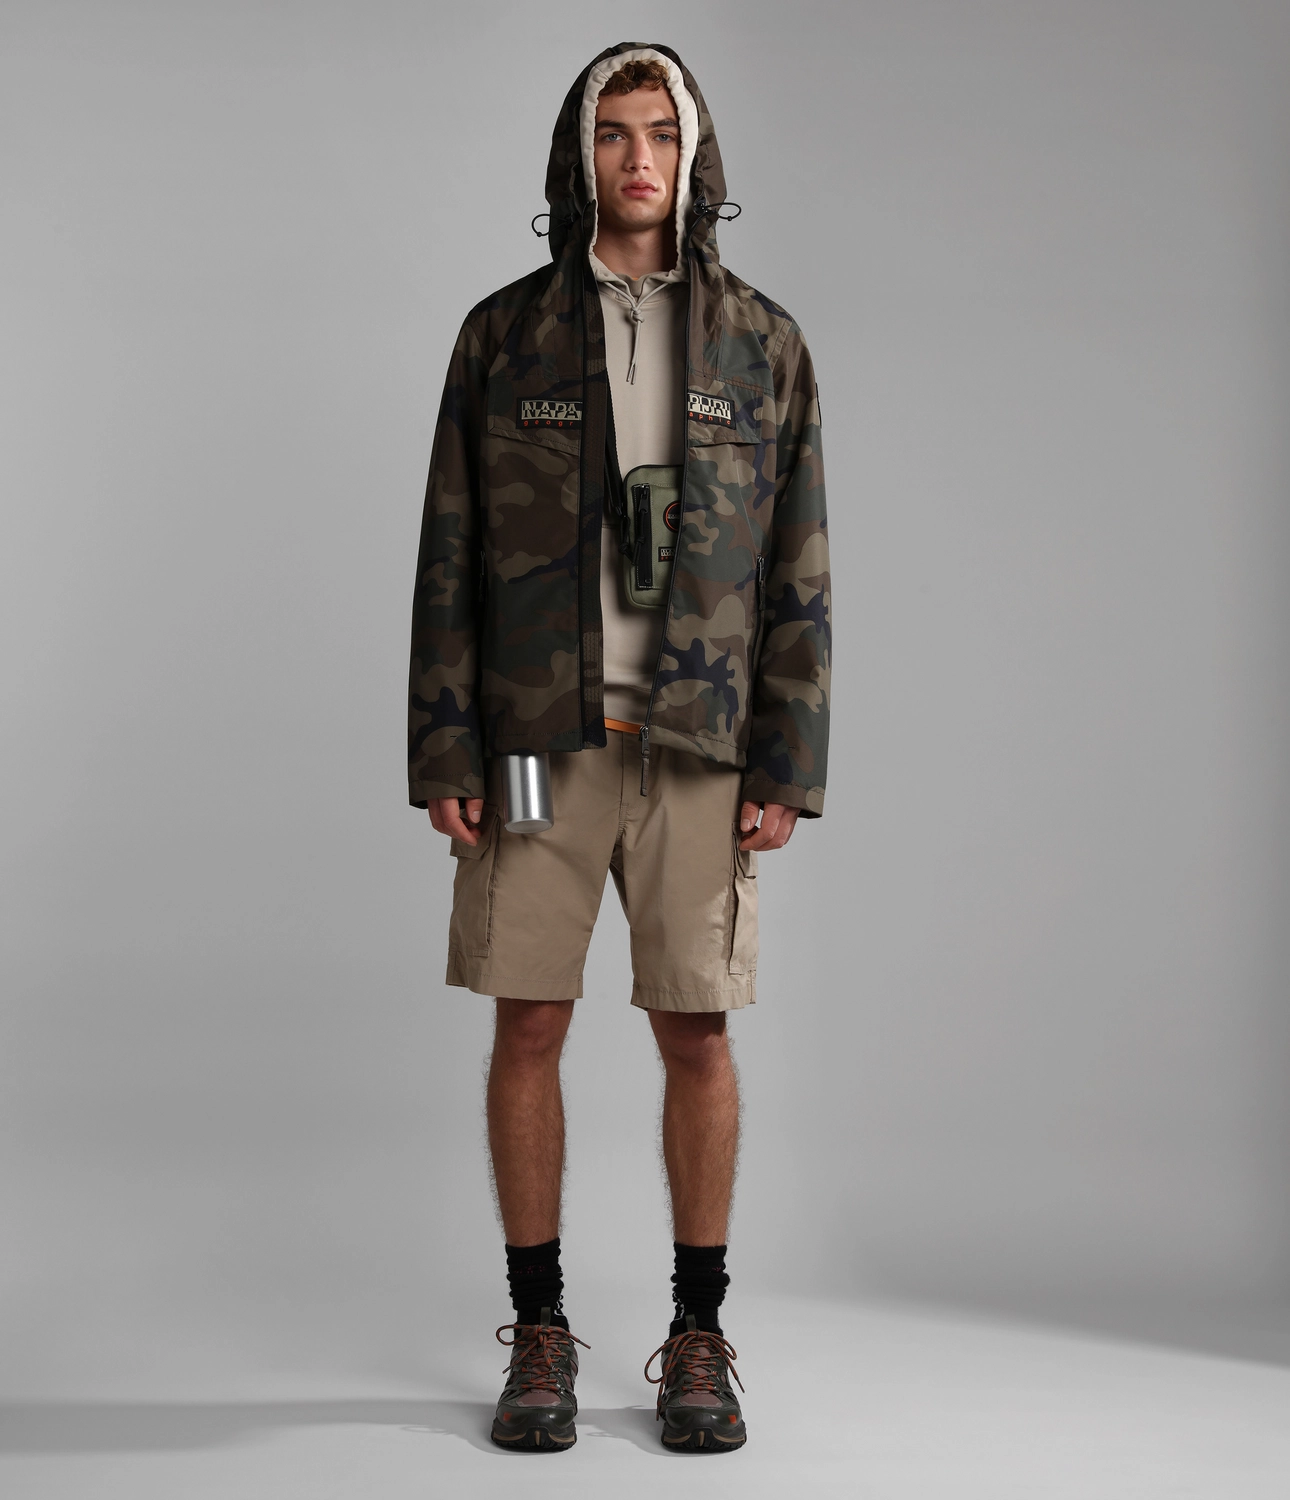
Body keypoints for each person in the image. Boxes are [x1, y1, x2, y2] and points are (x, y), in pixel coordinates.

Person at [408, 42, 829, 1454]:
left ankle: (698, 1335)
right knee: (528, 1020)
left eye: (659, 132)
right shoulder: (504, 337)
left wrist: (786, 760)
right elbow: (449, 550)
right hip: (538, 737)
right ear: (576, 153)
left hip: (700, 742)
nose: (637, 158)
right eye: (611, 133)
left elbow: (800, 563)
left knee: (695, 1029)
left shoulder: (762, 344)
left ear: (694, 153)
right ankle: (538, 1332)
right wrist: (445, 746)